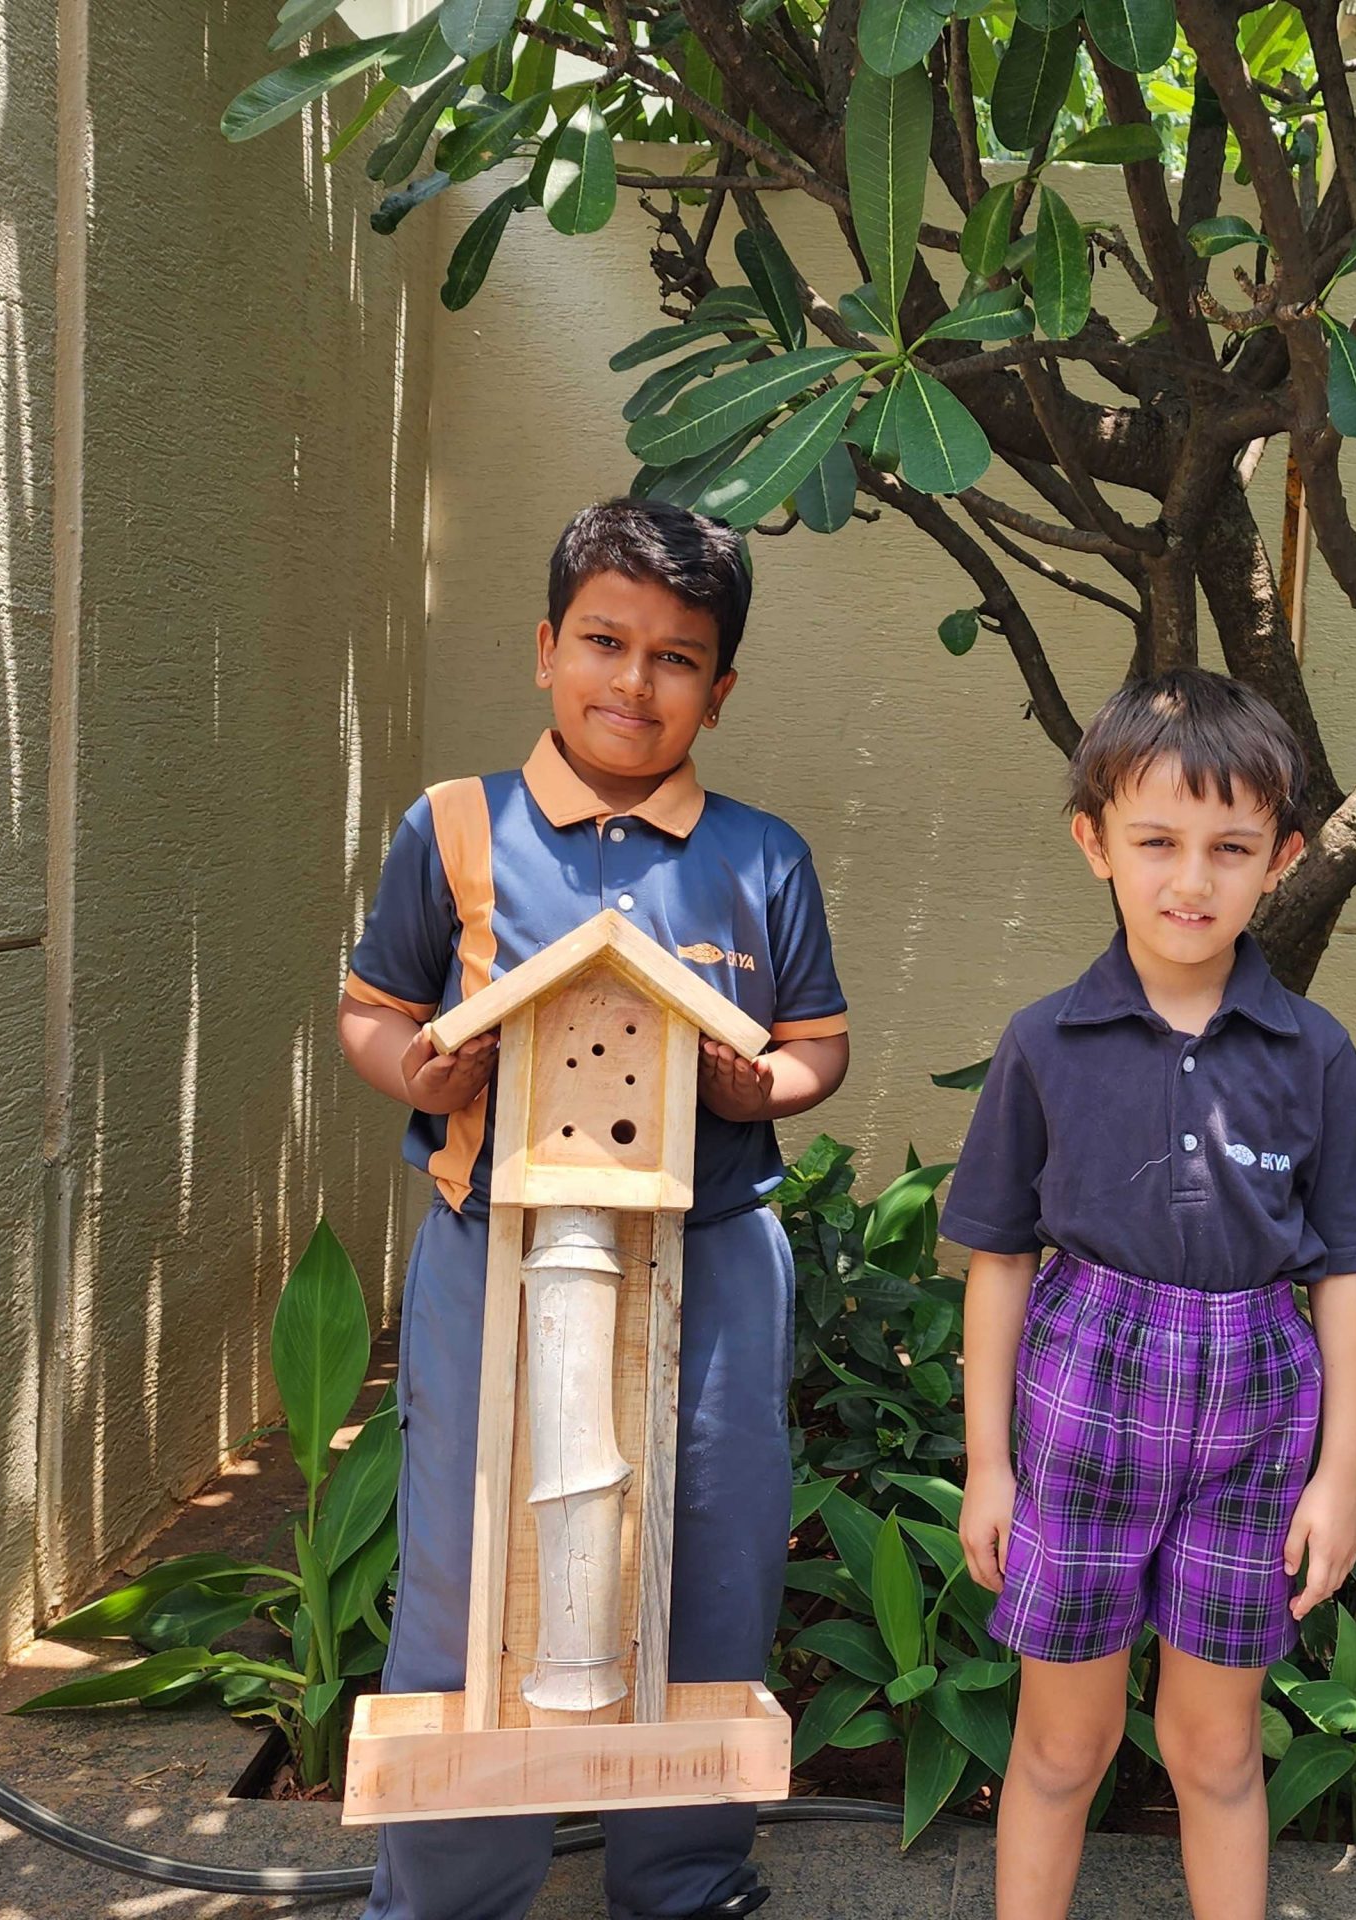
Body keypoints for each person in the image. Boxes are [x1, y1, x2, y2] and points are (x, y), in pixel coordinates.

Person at [338, 498, 851, 1920]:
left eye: (678, 658)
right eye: (605, 644)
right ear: (546, 648)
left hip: (716, 1254)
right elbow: (371, 1014)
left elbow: (818, 1040)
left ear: (722, 690)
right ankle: (452, 1889)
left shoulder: (764, 857)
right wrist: (424, 1067)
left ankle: (683, 1877)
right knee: (467, 1559)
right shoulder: (454, 830)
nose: (635, 683)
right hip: (491, 1249)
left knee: (715, 1546)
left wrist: (778, 1087)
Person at [942, 669, 1356, 1920]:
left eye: (1229, 848)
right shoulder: (1044, 1045)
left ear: (1284, 857)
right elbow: (996, 1262)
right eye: (1155, 841)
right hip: (1081, 1398)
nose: (1189, 880)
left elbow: (1350, 1272)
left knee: (1214, 1750)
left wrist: (1340, 1472)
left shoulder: (1313, 1055)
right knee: (1060, 1747)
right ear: (1094, 840)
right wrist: (989, 1465)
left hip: (1257, 1421)